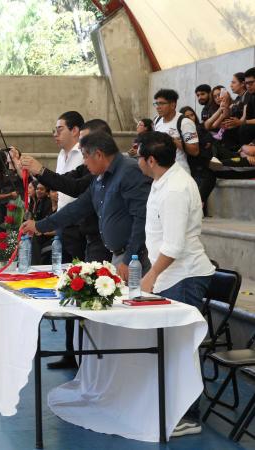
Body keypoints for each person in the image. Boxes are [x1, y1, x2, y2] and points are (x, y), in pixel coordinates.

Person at [18, 119, 114, 370]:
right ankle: (75, 352)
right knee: (77, 291)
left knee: (92, 296)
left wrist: (40, 170)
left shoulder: (114, 173)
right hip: (79, 230)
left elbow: (73, 189)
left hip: (98, 238)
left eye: (87, 146)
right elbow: (64, 184)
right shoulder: (88, 169)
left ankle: (91, 357)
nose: (84, 152)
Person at [137, 131, 215, 437]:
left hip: (184, 276)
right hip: (171, 275)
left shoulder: (176, 189)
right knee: (171, 346)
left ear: (151, 160)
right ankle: (174, 405)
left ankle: (189, 415)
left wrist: (150, 275)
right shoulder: (162, 181)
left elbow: (174, 245)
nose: (138, 160)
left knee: (183, 347)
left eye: (139, 156)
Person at [21, 131, 152, 283]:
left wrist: (129, 258)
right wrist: (39, 226)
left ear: (98, 155)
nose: (84, 162)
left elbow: (141, 219)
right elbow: (76, 209)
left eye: (85, 156)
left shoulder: (129, 171)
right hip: (117, 255)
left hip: (133, 258)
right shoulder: (99, 177)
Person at [178, 106, 216, 214]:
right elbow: (196, 148)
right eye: (187, 116)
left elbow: (209, 141)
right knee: (207, 176)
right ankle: (197, 206)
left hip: (206, 161)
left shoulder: (200, 127)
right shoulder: (183, 131)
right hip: (194, 163)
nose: (190, 118)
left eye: (192, 115)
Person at [153, 89, 200, 174]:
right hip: (160, 170)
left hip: (179, 171)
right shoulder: (157, 120)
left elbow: (195, 151)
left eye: (162, 103)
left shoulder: (185, 122)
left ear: (173, 105)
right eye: (156, 103)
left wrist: (172, 141)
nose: (158, 107)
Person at [238, 67, 255, 145]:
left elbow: (245, 120)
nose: (248, 86)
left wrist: (241, 122)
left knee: (245, 128)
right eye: (246, 83)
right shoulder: (250, 95)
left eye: (251, 83)